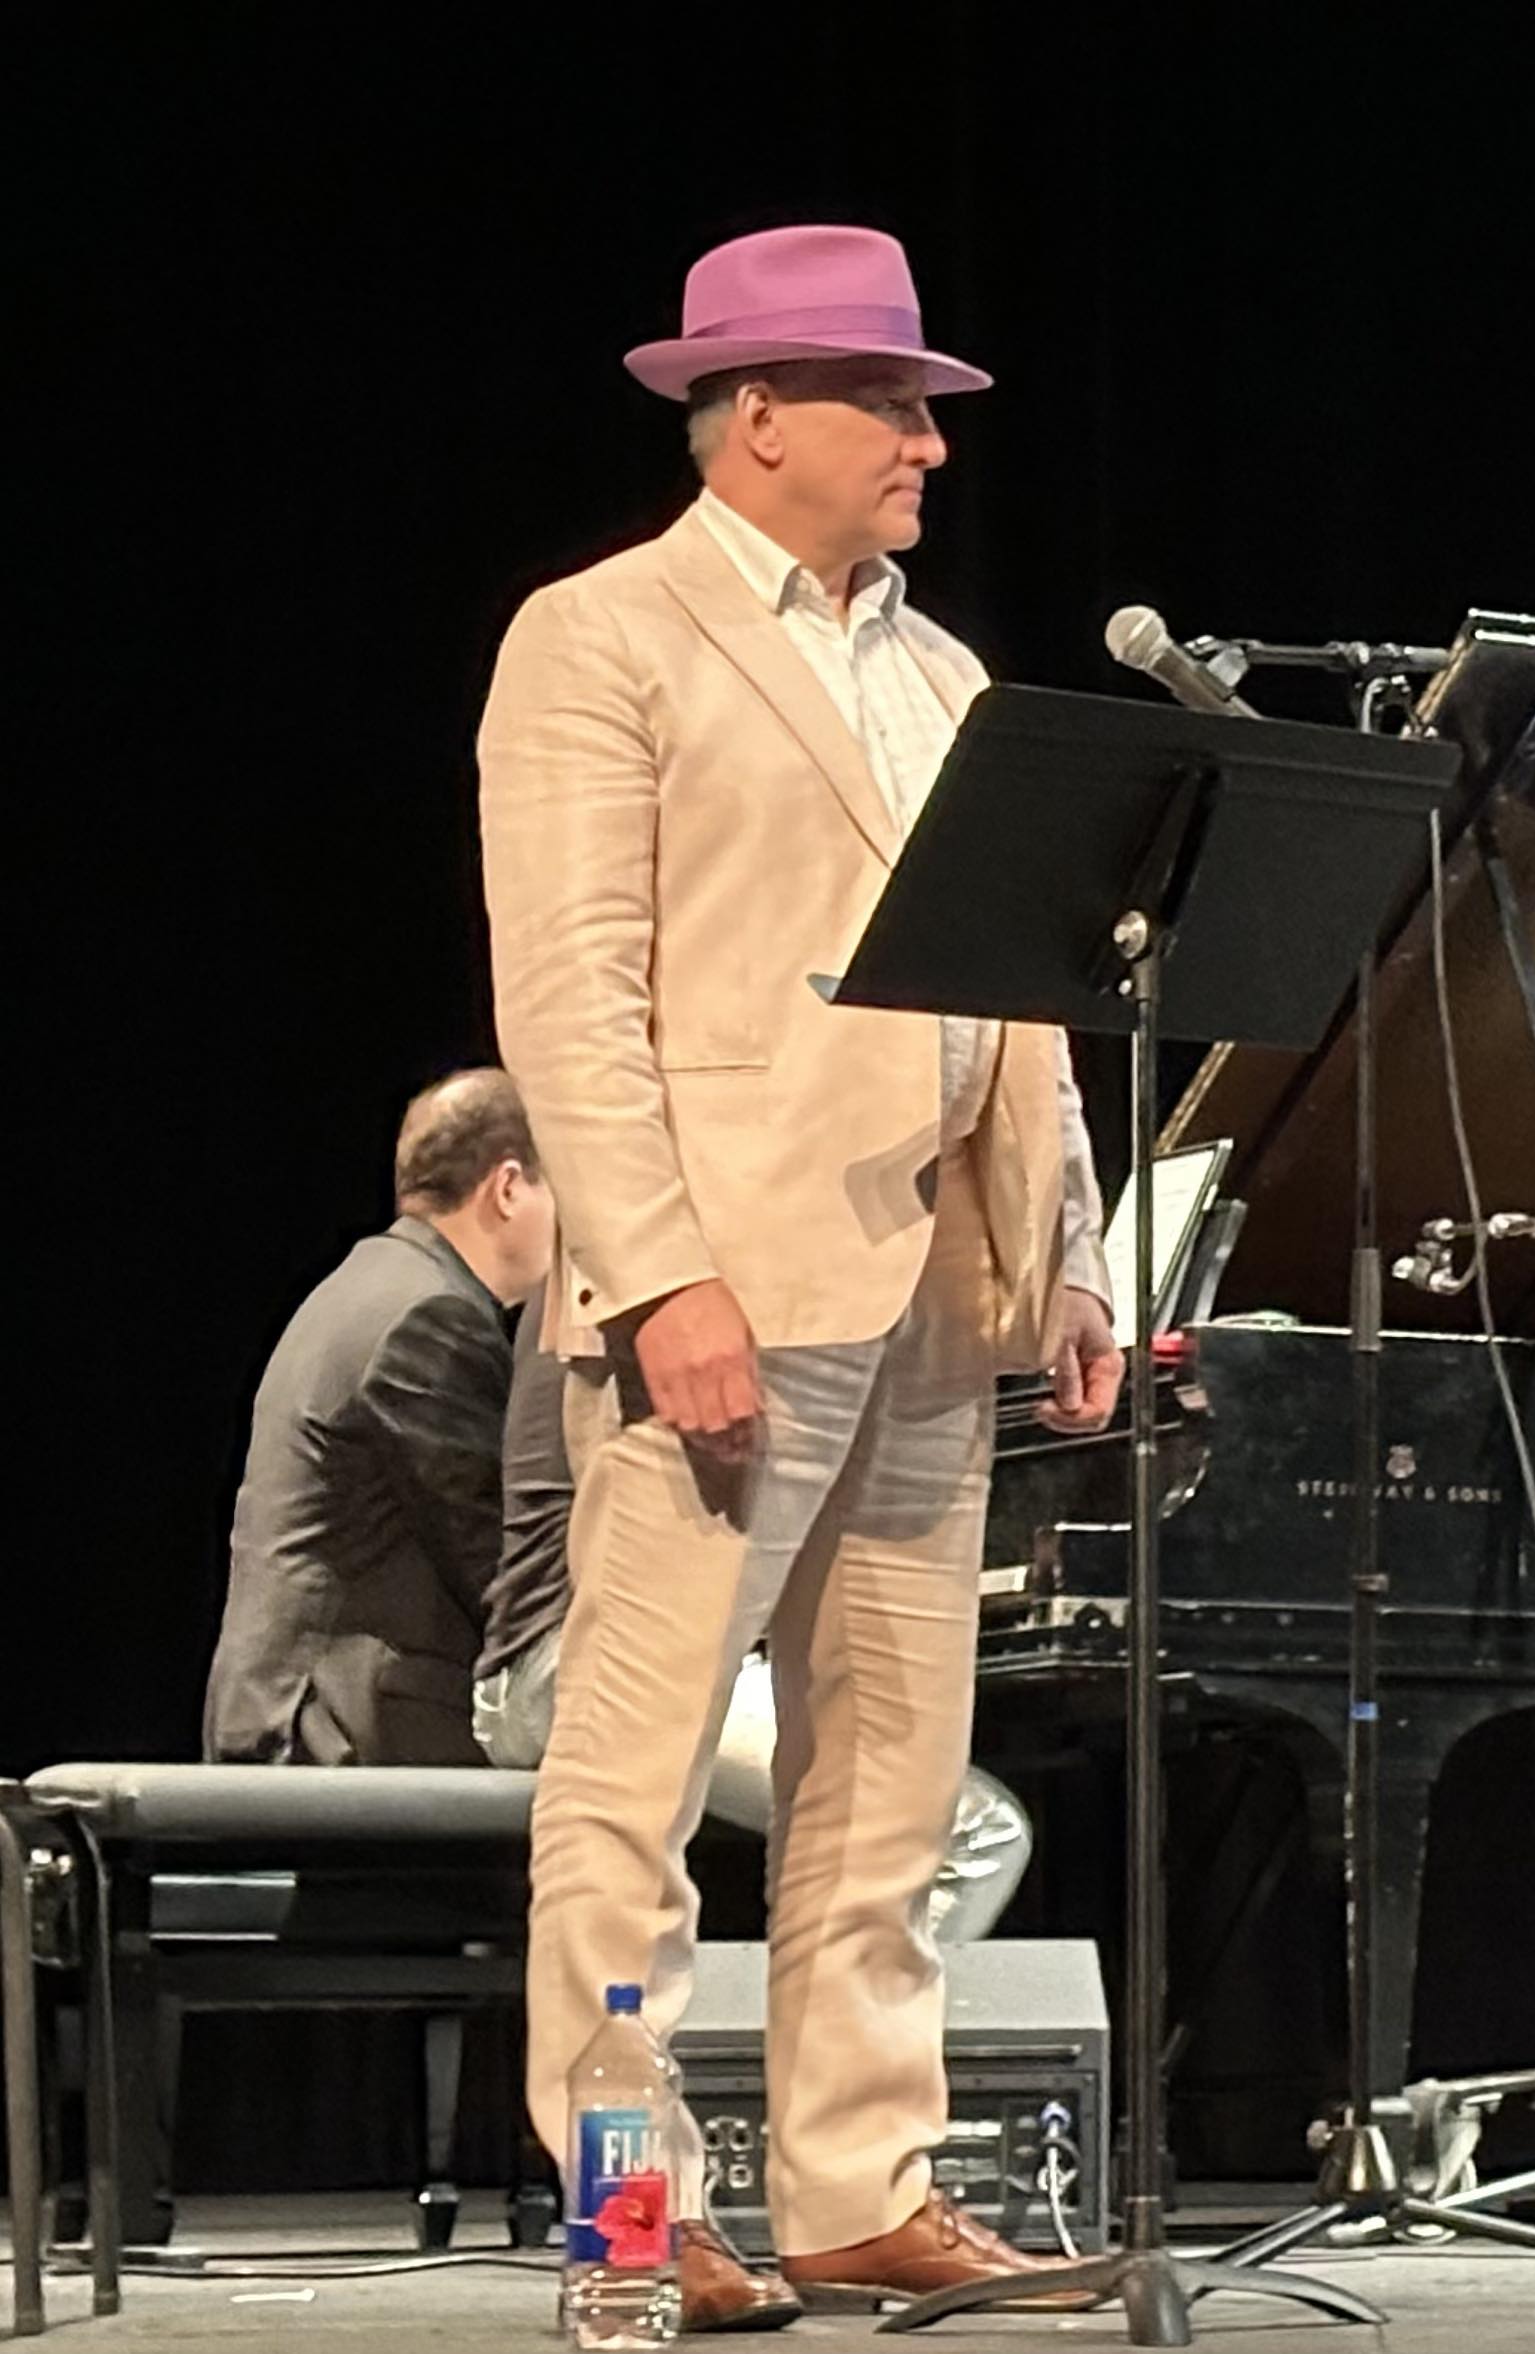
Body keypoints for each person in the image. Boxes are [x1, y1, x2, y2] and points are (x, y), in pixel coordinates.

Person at [479, 224, 1119, 2324]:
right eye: (893, 400)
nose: (930, 438)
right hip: (724, 1296)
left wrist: (1077, 1257)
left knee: (892, 1789)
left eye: (928, 402)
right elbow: (575, 998)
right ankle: (623, 2224)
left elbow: (1028, 1003)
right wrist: (658, 1276)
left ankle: (861, 2186)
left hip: (936, 1293)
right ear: (759, 418)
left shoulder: (940, 672)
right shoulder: (605, 637)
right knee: (638, 1788)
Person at [475, 1296, 1038, 1943]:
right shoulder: (655, 1286)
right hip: (577, 1667)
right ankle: (833, 2044)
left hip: (613, 1659)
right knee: (974, 1834)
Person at [204, 1069, 554, 1765]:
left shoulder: (370, 1285)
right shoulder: (430, 1317)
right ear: (508, 1187)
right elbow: (502, 1567)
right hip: (345, 1735)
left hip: (295, 1720)